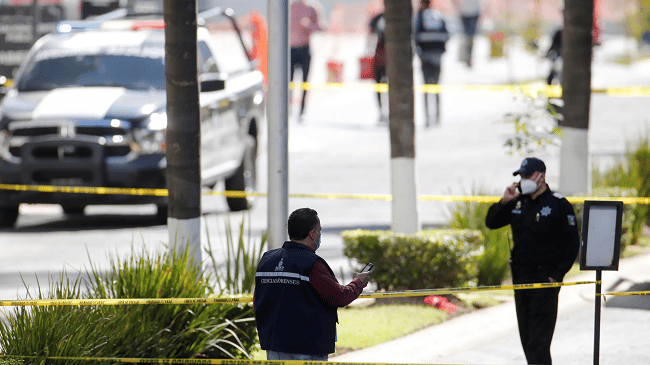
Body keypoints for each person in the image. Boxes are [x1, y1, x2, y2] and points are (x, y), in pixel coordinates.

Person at [485, 157, 580, 365]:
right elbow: (491, 222)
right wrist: (504, 201)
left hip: (544, 280)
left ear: (541, 176)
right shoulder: (519, 202)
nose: (523, 180)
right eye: (521, 176)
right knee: (527, 340)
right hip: (521, 279)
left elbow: (572, 244)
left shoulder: (558, 204)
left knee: (539, 341)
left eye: (527, 176)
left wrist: (556, 275)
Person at [254, 208, 371, 361]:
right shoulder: (312, 264)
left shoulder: (267, 260)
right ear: (312, 233)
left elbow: (257, 302)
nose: (320, 235)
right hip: (307, 348)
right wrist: (358, 283)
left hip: (274, 346)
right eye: (319, 231)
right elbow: (340, 296)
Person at [414, 0, 449, 127]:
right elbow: (446, 35)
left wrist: (420, 54)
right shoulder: (438, 16)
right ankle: (437, 117)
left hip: (426, 57)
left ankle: (429, 118)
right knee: (436, 87)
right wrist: (441, 51)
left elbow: (416, 37)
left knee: (427, 87)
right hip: (437, 56)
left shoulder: (421, 17)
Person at [290, 0, 323, 120]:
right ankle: (288, 108)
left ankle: (302, 110)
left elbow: (319, 27)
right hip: (291, 49)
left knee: (304, 81)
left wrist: (308, 25)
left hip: (304, 48)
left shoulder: (312, 8)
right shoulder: (289, 7)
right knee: (288, 81)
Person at [369, 12, 387, 123]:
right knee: (379, 86)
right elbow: (371, 32)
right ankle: (381, 111)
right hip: (380, 56)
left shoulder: (398, 18)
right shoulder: (378, 18)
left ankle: (388, 111)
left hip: (391, 59)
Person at [455, 0, 481, 68]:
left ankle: (468, 57)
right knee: (465, 37)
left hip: (474, 12)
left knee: (470, 37)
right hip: (464, 12)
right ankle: (464, 56)